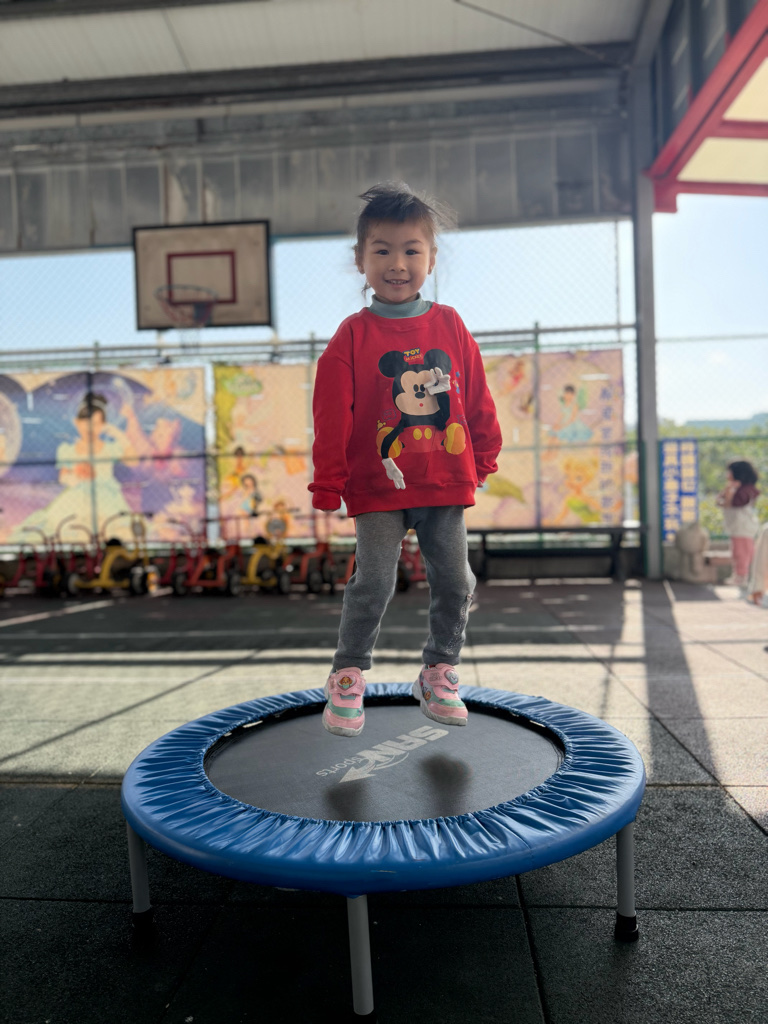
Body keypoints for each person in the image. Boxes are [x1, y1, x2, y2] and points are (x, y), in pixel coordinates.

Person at [309, 182, 502, 737]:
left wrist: (484, 453)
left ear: (431, 258)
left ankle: (439, 670)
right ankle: (347, 673)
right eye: (383, 250)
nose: (398, 263)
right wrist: (329, 480)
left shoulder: (451, 324)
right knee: (373, 581)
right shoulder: (352, 335)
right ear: (360, 260)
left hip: (443, 481)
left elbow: (476, 394)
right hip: (379, 485)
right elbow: (332, 411)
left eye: (411, 250)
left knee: (457, 580)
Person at [716, 459, 760, 589]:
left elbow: (731, 503)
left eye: (730, 471)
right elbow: (720, 502)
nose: (727, 474)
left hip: (743, 527)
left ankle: (742, 577)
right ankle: (739, 575)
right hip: (737, 527)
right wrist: (728, 489)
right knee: (737, 552)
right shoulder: (737, 488)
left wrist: (730, 491)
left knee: (742, 552)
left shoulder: (744, 490)